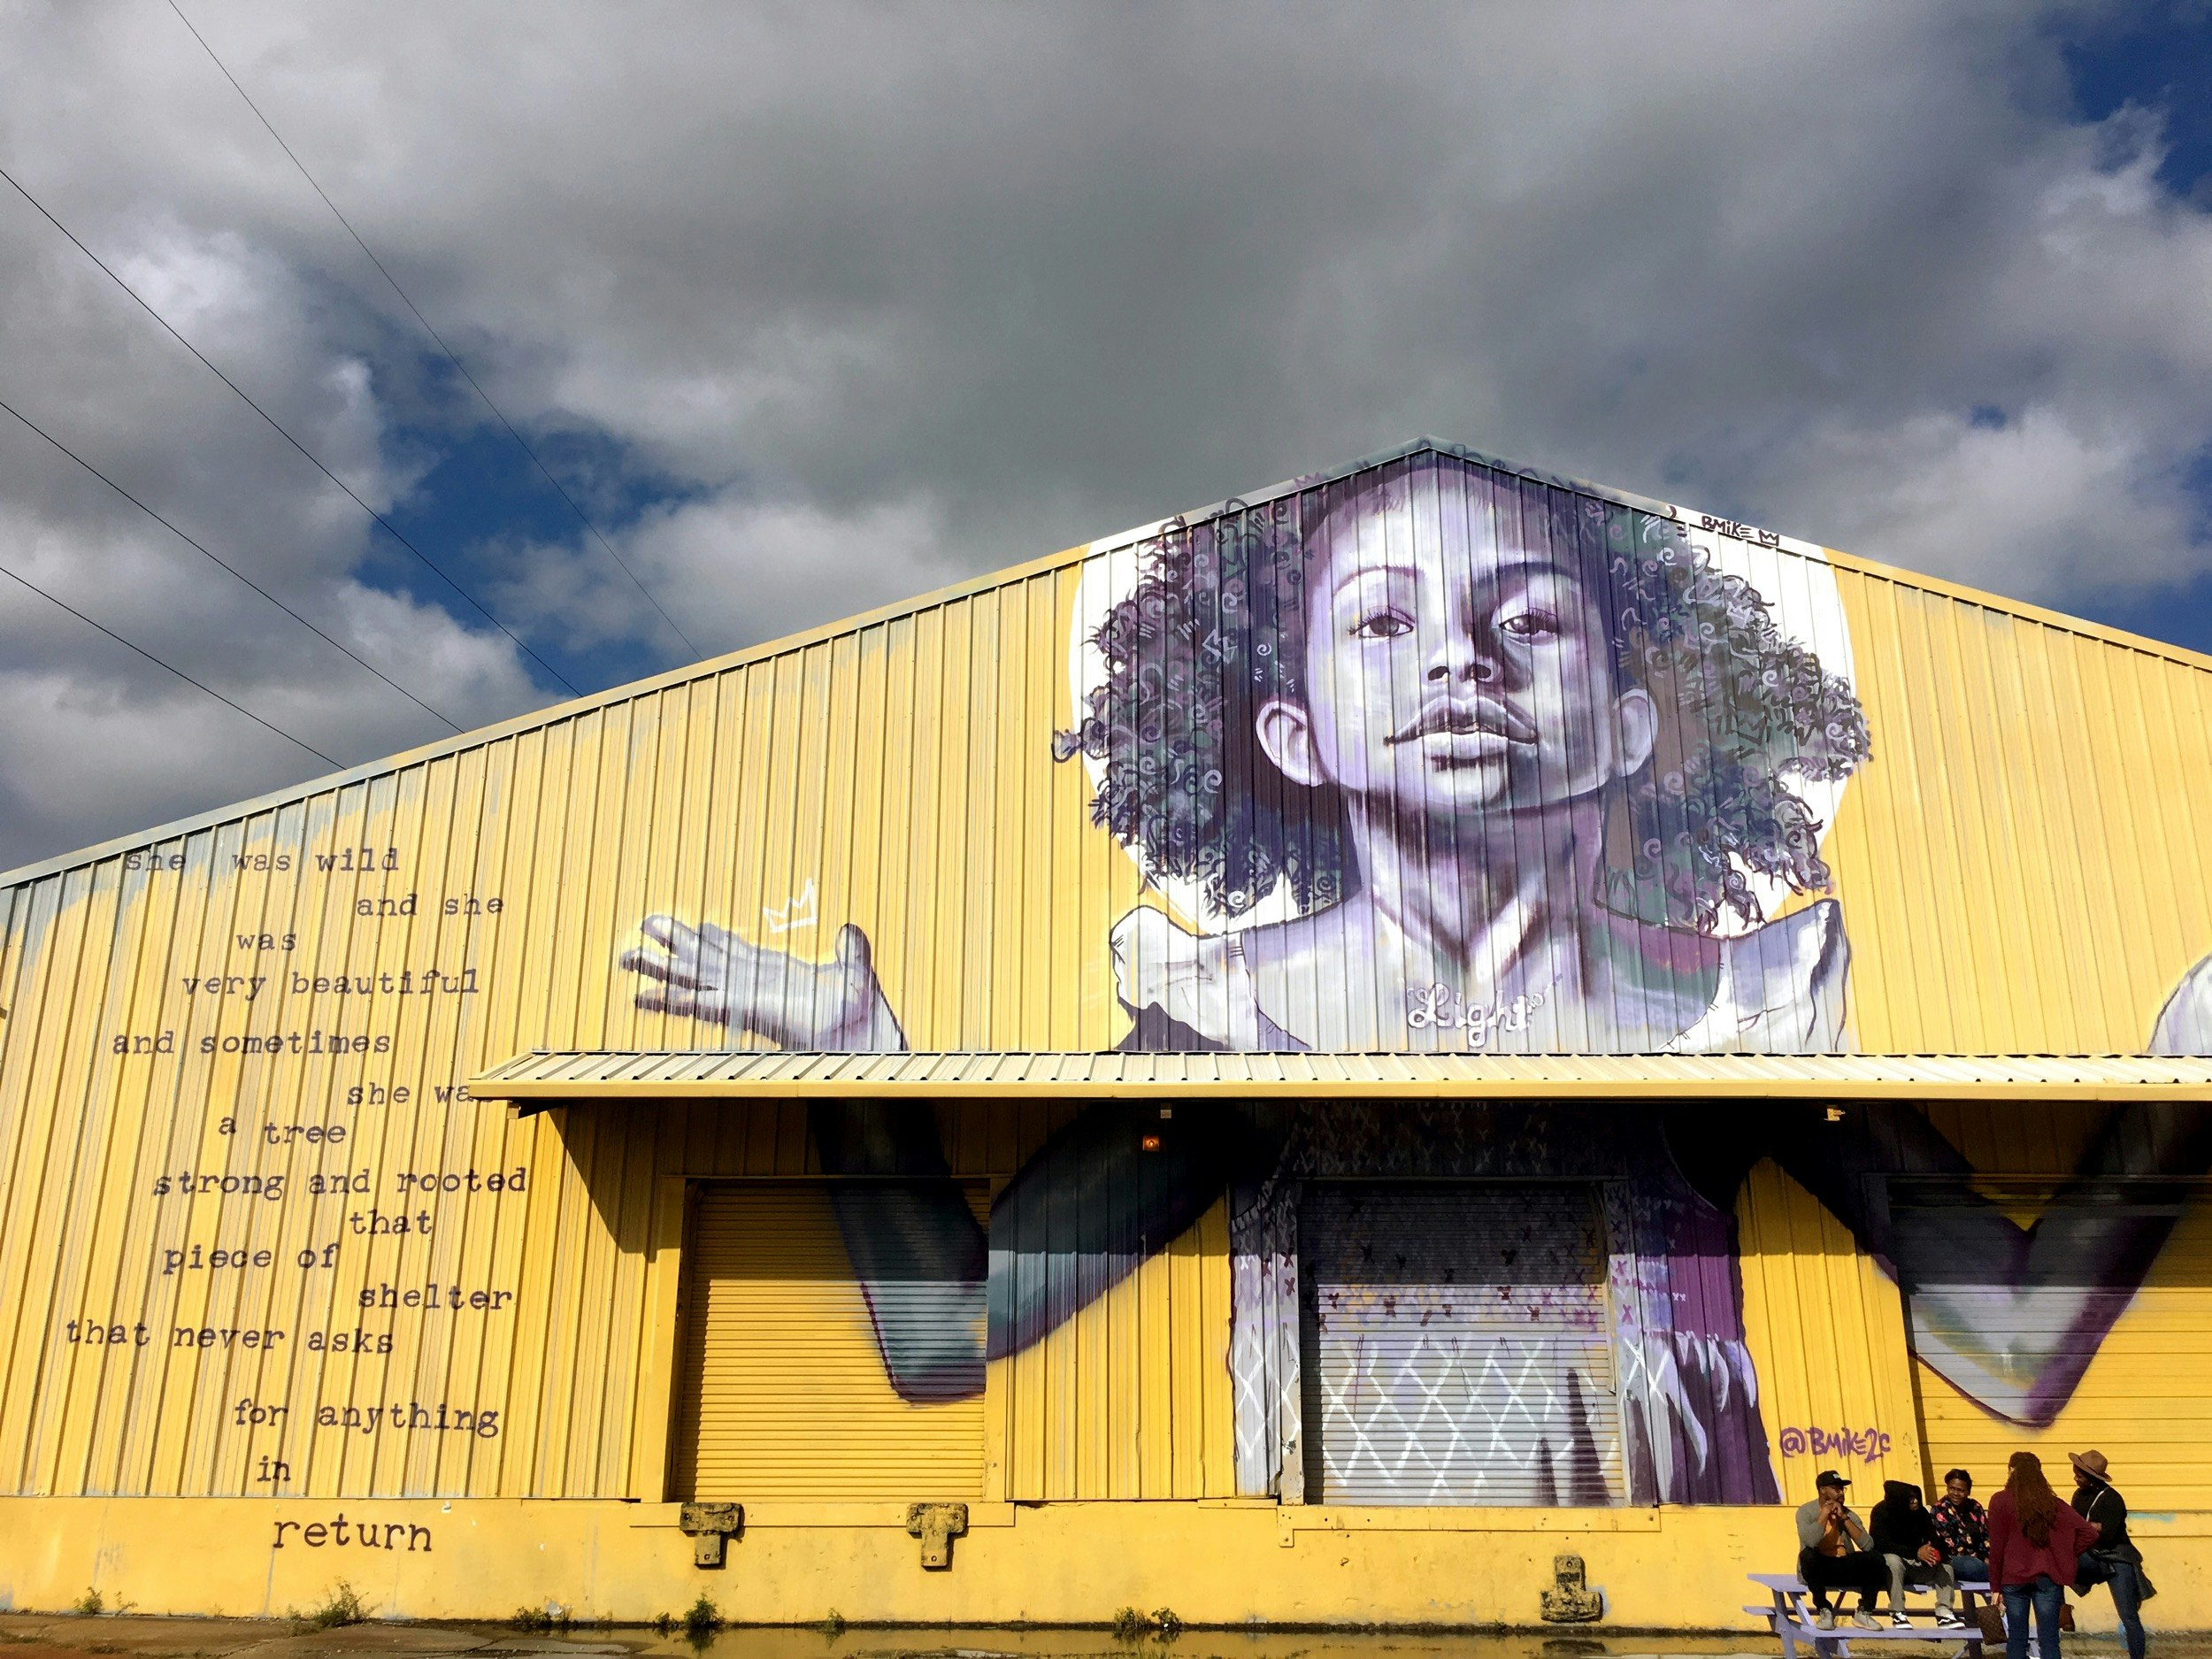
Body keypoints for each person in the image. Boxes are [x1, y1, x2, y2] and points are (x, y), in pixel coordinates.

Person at [1989, 1451, 2101, 1659]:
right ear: (2039, 1473)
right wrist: (2064, 1553)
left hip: (2013, 1578)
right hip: (2048, 1579)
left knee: (2016, 1639)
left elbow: (1996, 1548)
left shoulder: (2000, 1501)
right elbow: (2090, 1533)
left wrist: (1995, 1585)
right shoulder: (2054, 1504)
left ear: (2011, 1471)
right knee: (2049, 1640)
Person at [2070, 1449, 2151, 1659]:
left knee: (2128, 1616)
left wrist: (2086, 1527)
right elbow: (2074, 1528)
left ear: (2092, 1478)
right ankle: (2062, 1611)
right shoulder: (2078, 1496)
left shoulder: (2112, 1499)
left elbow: (2108, 1535)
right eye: (2075, 1472)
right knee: (2057, 1565)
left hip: (2117, 1557)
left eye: (2079, 1475)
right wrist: (2092, 1527)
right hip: (2092, 1555)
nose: (2075, 1478)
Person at [1795, 1470, 1887, 1632]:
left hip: (1844, 1565)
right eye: (1835, 1488)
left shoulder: (1848, 1514)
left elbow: (1868, 1545)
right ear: (1822, 1490)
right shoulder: (1805, 1511)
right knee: (1807, 1556)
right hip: (1820, 1569)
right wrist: (1824, 1514)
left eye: (1842, 1489)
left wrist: (1844, 1518)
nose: (1840, 1492)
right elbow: (1810, 1541)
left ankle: (1864, 1612)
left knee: (1875, 1558)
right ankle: (1824, 1610)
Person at [1870, 1477, 1965, 1629]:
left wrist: (1934, 1551)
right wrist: (1916, 1553)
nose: (1915, 1502)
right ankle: (1898, 1613)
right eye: (1910, 1498)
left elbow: (1932, 1537)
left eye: (1915, 1497)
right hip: (1893, 1569)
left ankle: (1944, 1612)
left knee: (1946, 1566)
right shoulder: (1881, 1512)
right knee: (1892, 1560)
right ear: (1899, 1500)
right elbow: (1882, 1544)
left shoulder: (1921, 1513)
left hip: (1917, 1565)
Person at [1932, 1467, 1992, 1583]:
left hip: (1980, 1558)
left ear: (1968, 1492)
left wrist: (1989, 1556)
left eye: (1961, 1490)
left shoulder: (1975, 1507)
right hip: (1954, 1558)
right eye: (1952, 1488)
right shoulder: (1940, 1509)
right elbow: (1952, 1545)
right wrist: (1981, 1558)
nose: (1955, 1493)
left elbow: (1986, 1535)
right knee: (1977, 1567)